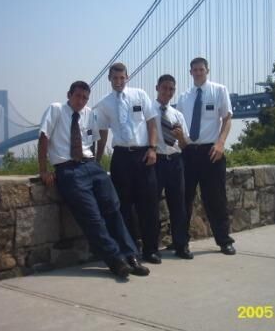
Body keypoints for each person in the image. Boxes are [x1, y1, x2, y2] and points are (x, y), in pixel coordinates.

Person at [37, 80, 150, 278]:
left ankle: (131, 256)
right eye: (78, 96)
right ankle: (116, 260)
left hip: (92, 166)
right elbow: (44, 137)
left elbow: (96, 138)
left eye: (85, 98)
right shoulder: (55, 109)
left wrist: (97, 163)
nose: (81, 101)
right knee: (92, 218)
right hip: (68, 169)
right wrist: (43, 170)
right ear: (69, 95)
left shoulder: (89, 113)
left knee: (114, 210)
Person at [94, 63, 162, 264]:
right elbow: (103, 133)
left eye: (122, 78)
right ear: (109, 79)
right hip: (121, 157)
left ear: (127, 77)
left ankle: (151, 250)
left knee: (149, 205)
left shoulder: (140, 94)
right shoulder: (104, 104)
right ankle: (132, 250)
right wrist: (97, 160)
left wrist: (152, 148)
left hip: (143, 154)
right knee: (124, 207)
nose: (118, 82)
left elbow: (151, 122)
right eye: (115, 78)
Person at [176, 57, 236, 255]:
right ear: (190, 72)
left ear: (207, 70)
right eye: (195, 70)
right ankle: (181, 242)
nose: (198, 72)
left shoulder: (219, 90)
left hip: (212, 152)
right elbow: (180, 128)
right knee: (184, 199)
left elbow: (227, 119)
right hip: (188, 153)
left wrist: (220, 144)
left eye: (201, 69)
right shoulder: (184, 97)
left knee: (216, 199)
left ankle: (224, 240)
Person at [153, 74, 193, 259]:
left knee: (179, 206)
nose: (168, 92)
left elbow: (185, 145)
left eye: (171, 89)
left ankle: (181, 245)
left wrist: (180, 138)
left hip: (175, 161)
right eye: (164, 88)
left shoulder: (177, 114)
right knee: (151, 206)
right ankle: (151, 247)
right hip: (156, 162)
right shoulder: (148, 111)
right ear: (157, 88)